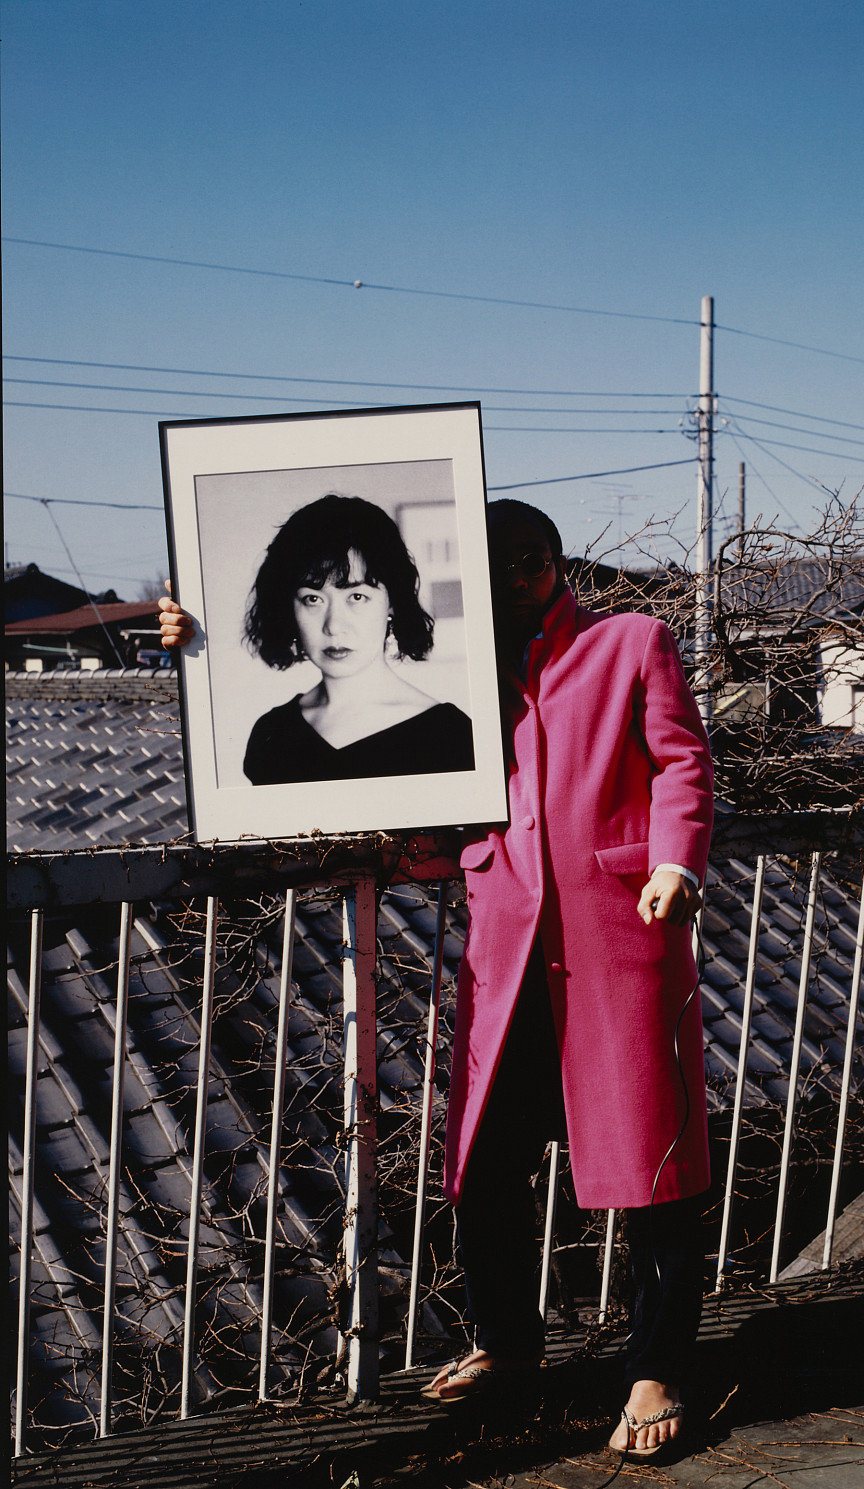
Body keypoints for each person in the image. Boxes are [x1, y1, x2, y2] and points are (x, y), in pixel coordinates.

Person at [158, 498, 712, 1461]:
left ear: (561, 561)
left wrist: (676, 858)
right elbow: (428, 809)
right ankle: (510, 1338)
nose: (520, 578)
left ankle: (655, 1365)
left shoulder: (632, 641)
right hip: (507, 947)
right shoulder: (452, 677)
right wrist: (196, 638)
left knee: (654, 1165)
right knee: (486, 1160)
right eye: (500, 565)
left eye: (535, 560)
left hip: (621, 939)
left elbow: (682, 763)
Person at [163, 493, 474, 785]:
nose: (333, 626)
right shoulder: (271, 734)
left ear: (391, 602)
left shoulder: (450, 734)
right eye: (312, 599)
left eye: (357, 596)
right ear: (289, 608)